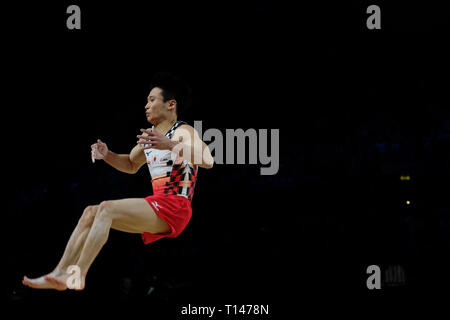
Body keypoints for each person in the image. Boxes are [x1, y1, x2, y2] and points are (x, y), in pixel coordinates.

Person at [22, 72, 214, 291]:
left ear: (171, 104)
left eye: (152, 100)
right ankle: (58, 273)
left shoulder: (182, 131)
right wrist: (108, 155)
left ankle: (77, 275)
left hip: (176, 205)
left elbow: (208, 160)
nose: (146, 105)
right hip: (159, 203)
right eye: (146, 100)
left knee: (106, 209)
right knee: (90, 212)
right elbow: (131, 165)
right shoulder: (151, 137)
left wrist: (169, 144)